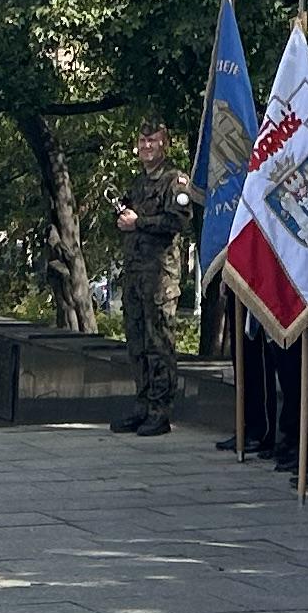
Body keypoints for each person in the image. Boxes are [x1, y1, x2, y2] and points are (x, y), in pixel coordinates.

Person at [111, 123, 197, 436]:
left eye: (153, 140)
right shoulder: (138, 182)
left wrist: (139, 222)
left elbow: (178, 221)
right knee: (137, 343)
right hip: (135, 274)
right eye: (142, 140)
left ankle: (160, 411)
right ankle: (143, 405)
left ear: (165, 145)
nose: (147, 146)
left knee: (159, 342)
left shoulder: (175, 180)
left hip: (160, 276)